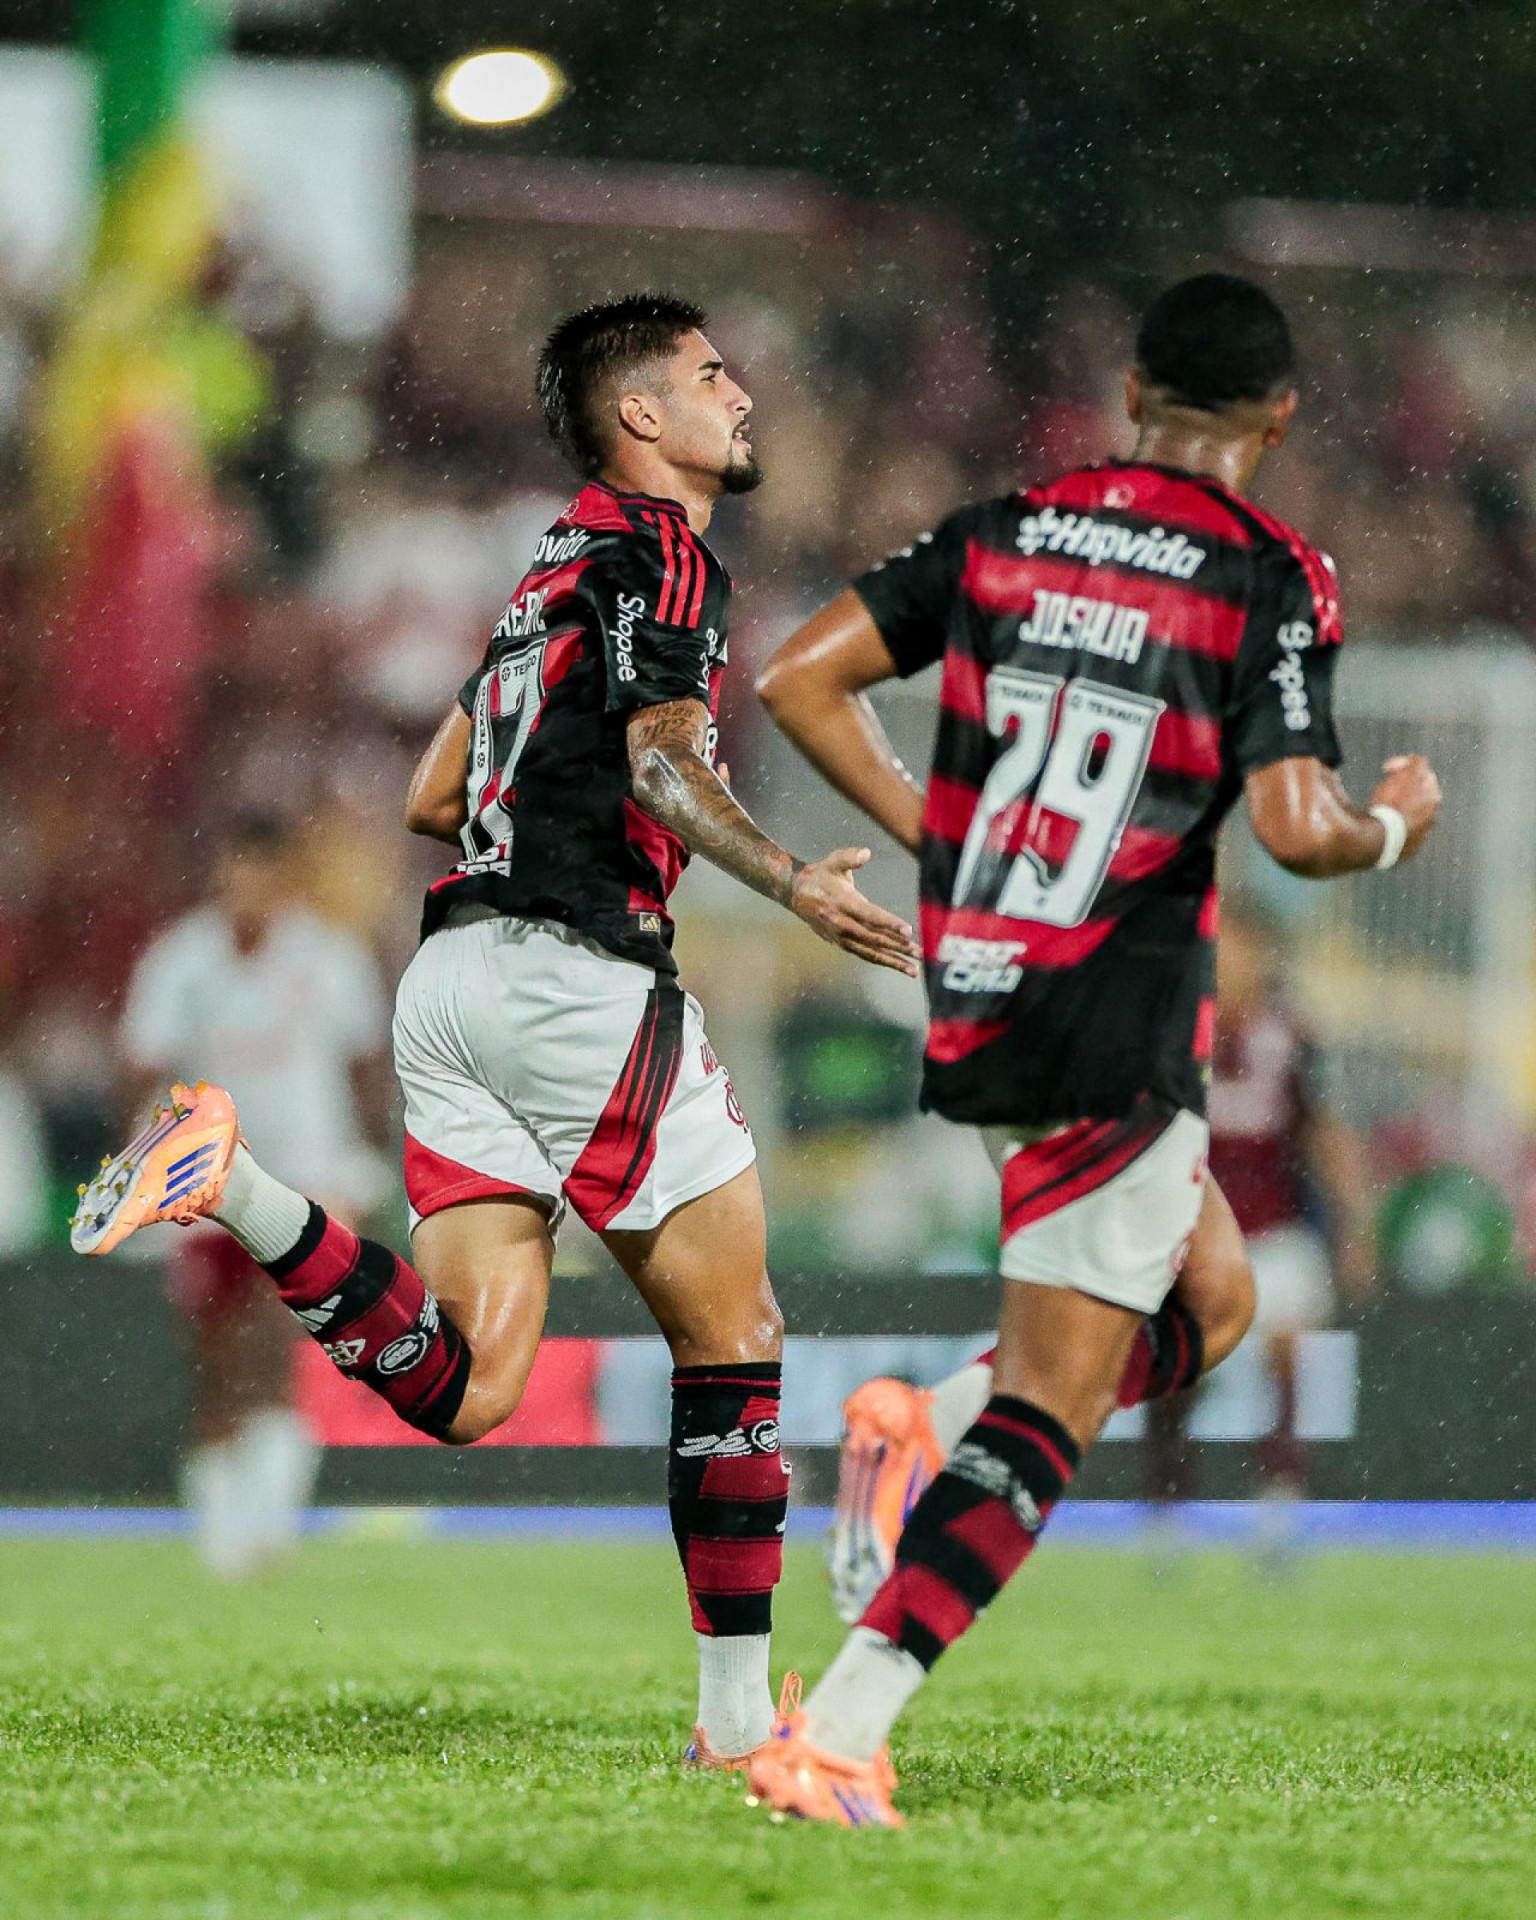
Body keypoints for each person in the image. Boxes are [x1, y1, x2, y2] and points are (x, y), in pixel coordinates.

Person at [72, 293, 918, 1768]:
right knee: (736, 1336)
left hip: (452, 978)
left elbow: (430, 795)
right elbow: (662, 765)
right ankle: (737, 1731)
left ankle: (237, 1182)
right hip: (576, 976)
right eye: (712, 375)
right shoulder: (665, 553)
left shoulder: (549, 570)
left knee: (470, 1388)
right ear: (642, 415)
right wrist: (792, 882)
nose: (741, 397)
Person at [746, 273, 1442, 1826]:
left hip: (981, 975)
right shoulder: (1267, 571)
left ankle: (919, 1422)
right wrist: (1397, 822)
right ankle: (841, 1732)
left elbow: (797, 677)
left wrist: (944, 833)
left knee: (1216, 1300)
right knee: (1053, 1414)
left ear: (1133, 394)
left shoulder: (1012, 528)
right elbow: (1298, 828)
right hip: (1114, 1000)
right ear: (1278, 416)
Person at [117, 812, 390, 1577]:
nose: (247, 888)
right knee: (213, 1358)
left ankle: (268, 1517)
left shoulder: (331, 958)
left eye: (261, 872)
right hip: (202, 1181)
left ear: (286, 878)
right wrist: (135, 1164)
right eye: (236, 871)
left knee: (277, 1337)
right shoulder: (181, 961)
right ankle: (222, 1525)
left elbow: (367, 1067)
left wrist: (365, 1163)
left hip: (306, 1174)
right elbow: (143, 1066)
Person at [1206, 896, 1375, 1514]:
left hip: (1273, 1225)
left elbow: (1326, 1132)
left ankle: (1279, 1497)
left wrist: (1355, 1225)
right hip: (1191, 1229)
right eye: (1221, 945)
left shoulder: (1290, 1034)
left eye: (1242, 946)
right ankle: (1162, 1508)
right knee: (1178, 1368)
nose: (1231, 960)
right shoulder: (1176, 1026)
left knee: (1286, 1350)